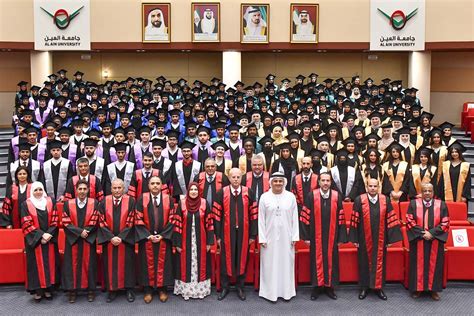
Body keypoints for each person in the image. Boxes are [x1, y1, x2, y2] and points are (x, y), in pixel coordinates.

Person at [349, 179, 402, 300]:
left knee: (380, 263)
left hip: (381, 238)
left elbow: (391, 219)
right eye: (370, 186)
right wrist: (355, 239)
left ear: (379, 187)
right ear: (366, 187)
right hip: (363, 238)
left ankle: (379, 288)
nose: (372, 188)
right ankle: (364, 287)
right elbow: (354, 220)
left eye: (375, 186)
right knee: (363, 262)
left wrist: (389, 240)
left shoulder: (385, 200)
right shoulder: (359, 200)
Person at [300, 172, 347, 300]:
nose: (325, 183)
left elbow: (341, 217)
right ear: (319, 182)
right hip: (316, 236)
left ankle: (329, 287)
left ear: (331, 182)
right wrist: (306, 237)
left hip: (333, 236)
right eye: (323, 180)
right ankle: (317, 287)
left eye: (328, 181)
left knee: (331, 260)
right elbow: (305, 216)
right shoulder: (312, 196)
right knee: (317, 261)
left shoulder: (337, 196)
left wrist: (341, 237)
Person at [213, 168, 258, 301]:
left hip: (244, 232)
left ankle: (240, 286)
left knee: (242, 258)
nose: (236, 179)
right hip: (226, 232)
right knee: (225, 259)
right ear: (229, 178)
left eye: (238, 177)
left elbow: (254, 215)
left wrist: (252, 235)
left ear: (241, 178)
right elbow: (216, 216)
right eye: (233, 177)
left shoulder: (248, 192)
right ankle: (225, 286)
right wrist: (219, 236)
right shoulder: (222, 192)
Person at [258, 172, 299, 302]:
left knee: (286, 264)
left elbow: (294, 218)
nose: (278, 183)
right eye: (275, 181)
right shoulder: (264, 197)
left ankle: (286, 292)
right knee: (270, 265)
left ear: (284, 182)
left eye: (280, 181)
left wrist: (294, 237)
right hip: (269, 239)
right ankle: (269, 293)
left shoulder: (290, 197)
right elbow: (261, 219)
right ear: (271, 182)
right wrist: (262, 238)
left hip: (287, 238)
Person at [406, 183, 449, 301]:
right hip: (418, 240)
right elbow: (409, 220)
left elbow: (445, 222)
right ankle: (418, 289)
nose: (427, 193)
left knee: (435, 265)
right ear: (421, 192)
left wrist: (432, 233)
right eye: (424, 191)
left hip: (435, 240)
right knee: (417, 264)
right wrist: (423, 233)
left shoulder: (441, 205)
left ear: (433, 192)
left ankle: (433, 290)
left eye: (429, 191)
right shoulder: (413, 204)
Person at [135, 176, 175, 303]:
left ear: (162, 185)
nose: (155, 186)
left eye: (158, 183)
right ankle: (148, 290)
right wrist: (148, 235)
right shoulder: (142, 199)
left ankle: (162, 289)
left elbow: (172, 219)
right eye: (153, 183)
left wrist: (163, 235)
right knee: (147, 264)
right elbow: (138, 218)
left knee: (164, 264)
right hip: (147, 238)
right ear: (148, 185)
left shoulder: (169, 199)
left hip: (163, 238)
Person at [172, 182, 214, 300]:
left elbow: (209, 224)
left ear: (199, 191)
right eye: (191, 189)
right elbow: (177, 224)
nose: (194, 191)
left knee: (201, 264)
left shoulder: (205, 203)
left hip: (201, 240)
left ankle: (200, 290)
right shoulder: (182, 204)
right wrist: (178, 243)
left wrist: (209, 242)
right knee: (185, 263)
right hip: (185, 240)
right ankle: (186, 290)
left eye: (196, 189)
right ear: (188, 191)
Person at [61, 180, 100, 303]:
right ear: (76, 190)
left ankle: (90, 290)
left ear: (88, 190)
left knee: (90, 264)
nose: (82, 191)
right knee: (71, 265)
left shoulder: (95, 203)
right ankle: (72, 291)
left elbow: (96, 218)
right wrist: (79, 232)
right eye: (80, 189)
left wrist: (86, 232)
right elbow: (65, 221)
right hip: (73, 240)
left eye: (84, 189)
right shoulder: (68, 204)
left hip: (88, 239)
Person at [98, 179, 136, 303]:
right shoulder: (104, 201)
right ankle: (112, 290)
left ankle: (129, 289)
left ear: (123, 188)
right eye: (115, 188)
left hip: (125, 240)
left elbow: (131, 219)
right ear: (111, 189)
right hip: (109, 241)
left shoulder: (131, 201)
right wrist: (111, 237)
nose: (117, 190)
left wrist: (121, 237)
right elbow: (101, 220)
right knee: (110, 265)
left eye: (120, 188)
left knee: (128, 265)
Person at [21, 182, 59, 302]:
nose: (38, 192)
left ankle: (48, 290)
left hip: (49, 239)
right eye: (36, 190)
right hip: (35, 241)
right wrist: (41, 235)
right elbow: (26, 223)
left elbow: (55, 219)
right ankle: (38, 291)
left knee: (49, 264)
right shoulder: (26, 204)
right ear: (32, 191)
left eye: (40, 189)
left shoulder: (50, 201)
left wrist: (48, 235)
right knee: (35, 266)